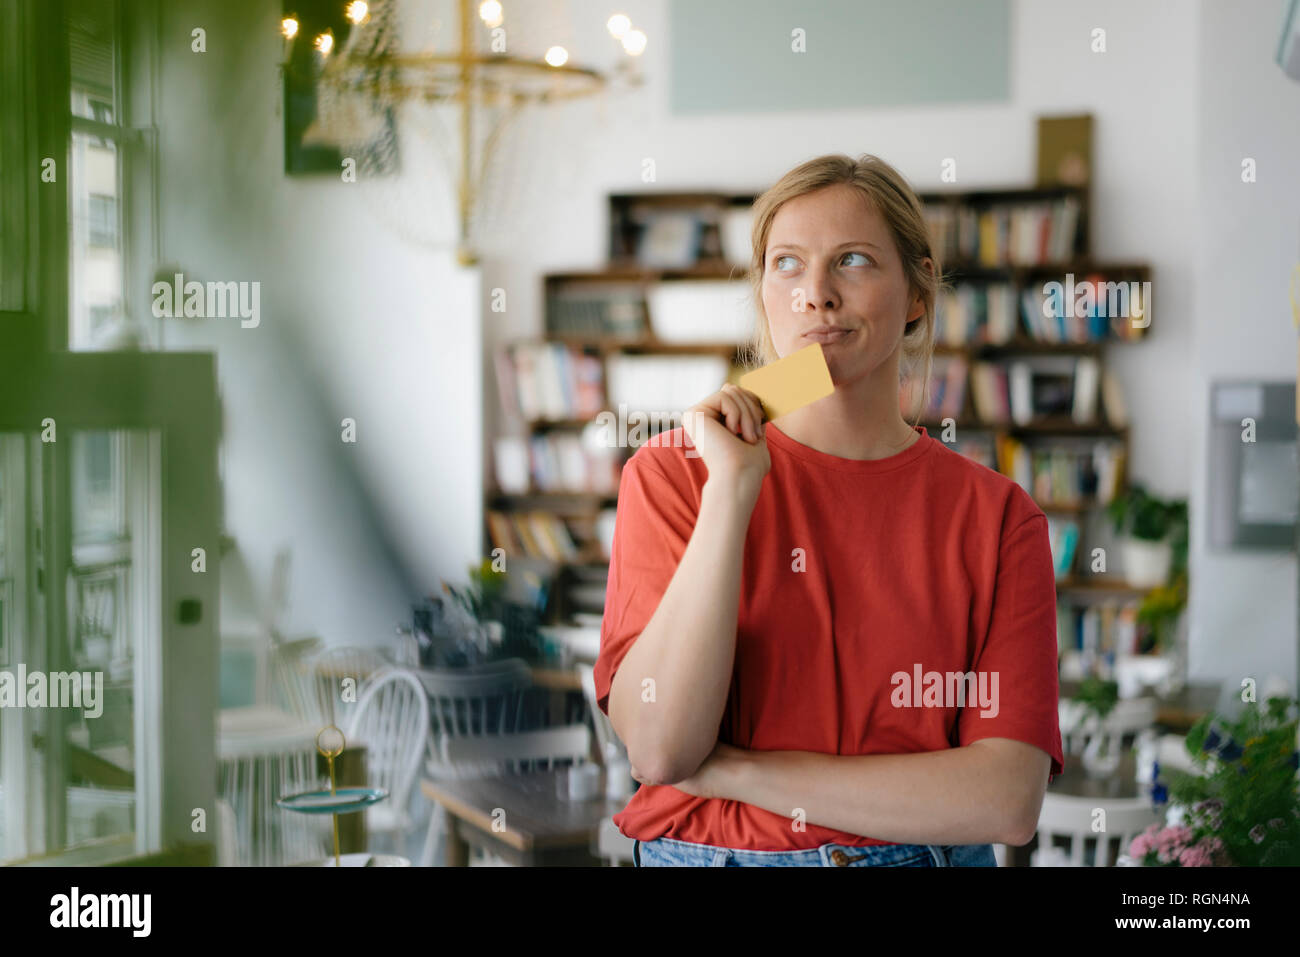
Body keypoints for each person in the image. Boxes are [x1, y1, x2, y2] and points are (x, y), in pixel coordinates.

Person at [594, 153, 1064, 867]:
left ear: (916, 293)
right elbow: (661, 746)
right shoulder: (671, 477)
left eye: (852, 260)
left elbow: (1005, 801)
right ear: (762, 290)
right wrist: (730, 492)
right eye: (787, 263)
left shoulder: (999, 517)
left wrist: (736, 771)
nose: (816, 294)